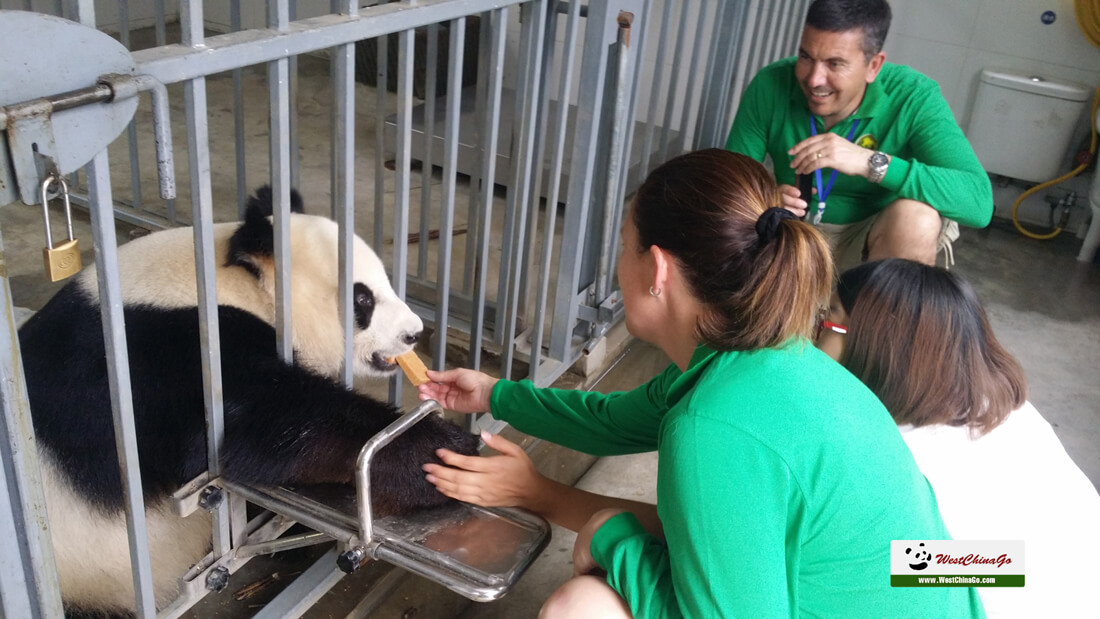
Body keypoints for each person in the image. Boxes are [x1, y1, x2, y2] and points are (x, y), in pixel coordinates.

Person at [419, 149, 983, 617]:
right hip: (936, 584)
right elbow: (613, 421)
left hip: (912, 581)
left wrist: (612, 536)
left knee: (580, 608)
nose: (618, 263)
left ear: (657, 270)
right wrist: (496, 394)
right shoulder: (768, 356)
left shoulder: (713, 427)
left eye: (623, 245)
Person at [818, 258, 1100, 619]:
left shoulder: (897, 461)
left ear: (879, 345)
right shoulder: (1001, 405)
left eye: (827, 322)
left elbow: (949, 571)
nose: (814, 340)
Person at [726, 0, 992, 271]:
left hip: (871, 241)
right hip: (792, 233)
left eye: (835, 64)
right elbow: (727, 184)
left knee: (918, 219)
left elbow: (978, 203)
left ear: (874, 66)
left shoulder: (914, 96)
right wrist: (766, 202)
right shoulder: (771, 83)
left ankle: (870, 309)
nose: (814, 79)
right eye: (806, 57)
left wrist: (872, 163)